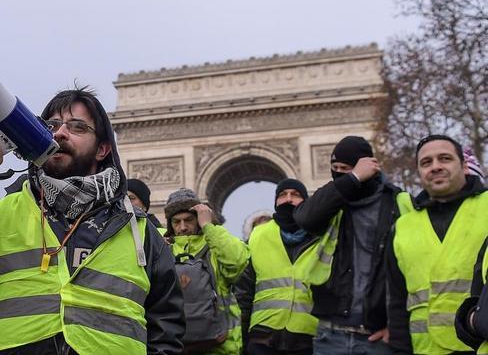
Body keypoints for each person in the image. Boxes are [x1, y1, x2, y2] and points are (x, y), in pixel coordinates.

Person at [0, 88, 185, 354]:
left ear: (103, 149)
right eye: (50, 125)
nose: (60, 133)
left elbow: (165, 326)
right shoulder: (0, 213)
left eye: (78, 127)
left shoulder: (142, 231)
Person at [293, 135, 412, 355]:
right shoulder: (333, 202)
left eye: (345, 168)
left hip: (377, 336)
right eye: (334, 167)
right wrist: (353, 177)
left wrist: (397, 324)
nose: (339, 174)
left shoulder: (398, 202)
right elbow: (305, 218)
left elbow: (414, 268)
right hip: (330, 334)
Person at [387, 134, 488, 354]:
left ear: (463, 165)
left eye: (445, 158)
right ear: (419, 173)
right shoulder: (402, 226)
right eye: (426, 162)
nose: (435, 167)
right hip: (424, 349)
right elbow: (396, 300)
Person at [235, 179, 319, 355]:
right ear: (275, 202)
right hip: (262, 338)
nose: (288, 199)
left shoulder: (322, 235)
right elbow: (244, 292)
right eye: (282, 195)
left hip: (309, 338)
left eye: (295, 195)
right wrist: (241, 340)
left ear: (307, 201)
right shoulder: (258, 235)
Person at [164, 188, 249, 354]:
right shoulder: (163, 250)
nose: (182, 227)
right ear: (170, 224)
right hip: (176, 347)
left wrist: (209, 226)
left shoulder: (215, 247)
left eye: (188, 220)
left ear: (198, 219)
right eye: (176, 221)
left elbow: (237, 262)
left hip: (220, 347)